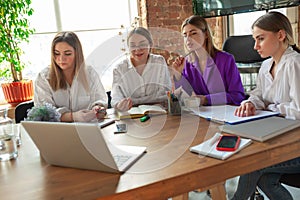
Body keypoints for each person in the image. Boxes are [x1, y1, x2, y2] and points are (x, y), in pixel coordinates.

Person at [232, 11, 300, 200]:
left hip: (295, 145)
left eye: (260, 39)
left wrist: (271, 109)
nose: (255, 46)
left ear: (280, 35)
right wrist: (250, 102)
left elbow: (299, 111)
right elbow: (258, 95)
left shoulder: (294, 63)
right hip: (280, 138)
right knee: (265, 180)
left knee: (252, 165)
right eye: (255, 39)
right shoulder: (266, 66)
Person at [34, 31, 108, 122]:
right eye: (57, 53)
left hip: (88, 129)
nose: (61, 59)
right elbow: (44, 113)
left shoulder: (90, 74)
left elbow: (100, 99)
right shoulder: (43, 78)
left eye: (67, 53)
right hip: (58, 131)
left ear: (77, 54)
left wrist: (97, 108)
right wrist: (73, 117)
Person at [172, 15, 245, 106]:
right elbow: (185, 98)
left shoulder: (226, 60)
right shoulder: (186, 64)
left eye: (193, 33)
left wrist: (206, 99)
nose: (188, 39)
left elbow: (237, 96)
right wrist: (178, 75)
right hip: (201, 116)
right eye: (185, 35)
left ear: (206, 34)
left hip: (226, 113)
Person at [111, 27, 172, 111]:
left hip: (157, 113)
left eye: (142, 44)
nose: (137, 49)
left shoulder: (159, 62)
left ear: (150, 44)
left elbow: (164, 95)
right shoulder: (119, 69)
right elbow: (115, 99)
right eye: (132, 45)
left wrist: (133, 101)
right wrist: (119, 105)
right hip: (130, 115)